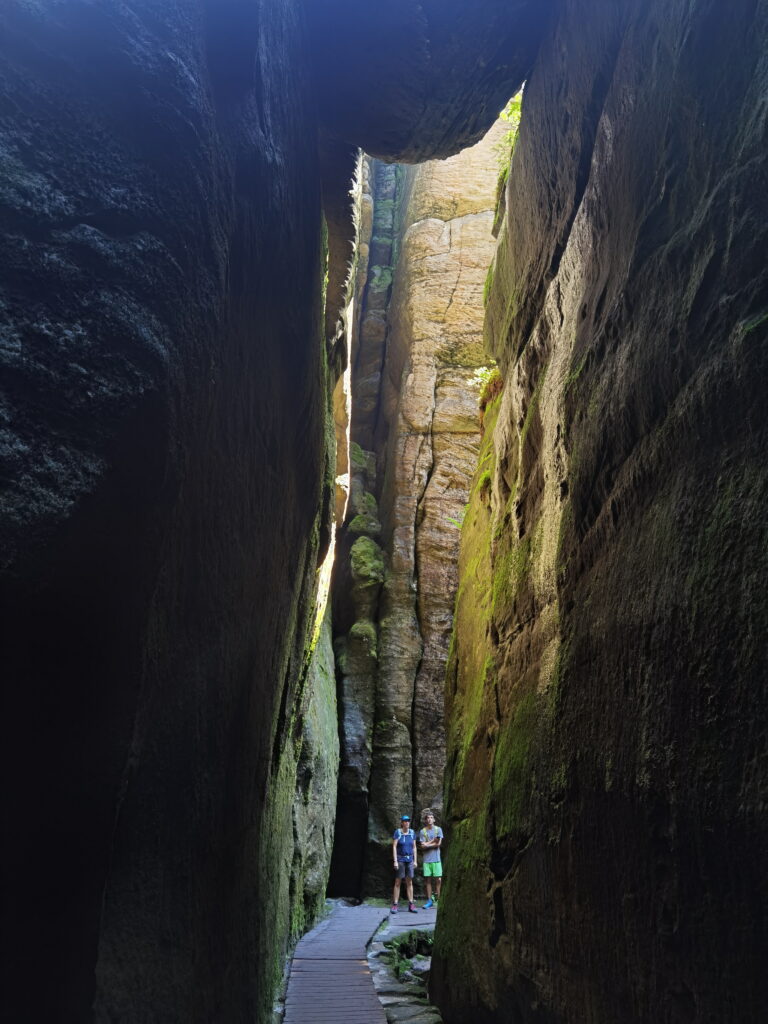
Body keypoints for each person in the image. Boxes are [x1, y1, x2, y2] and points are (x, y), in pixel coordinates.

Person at [391, 814, 418, 914]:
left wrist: (415, 860)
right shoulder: (398, 832)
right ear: (402, 823)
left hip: (410, 859)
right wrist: (395, 861)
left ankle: (411, 904)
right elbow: (394, 846)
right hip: (400, 860)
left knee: (409, 882)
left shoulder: (412, 833)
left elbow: (414, 847)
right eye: (405, 821)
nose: (407, 822)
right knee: (397, 882)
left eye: (408, 821)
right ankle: (395, 904)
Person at [418, 809, 443, 909]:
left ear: (434, 820)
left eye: (431, 818)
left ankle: (439, 900)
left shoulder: (438, 829)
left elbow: (439, 844)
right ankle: (429, 900)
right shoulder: (422, 831)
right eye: (428, 818)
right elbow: (422, 847)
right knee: (427, 880)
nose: (429, 819)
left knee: (439, 880)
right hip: (427, 860)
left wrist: (427, 844)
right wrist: (433, 842)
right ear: (425, 820)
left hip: (436, 859)